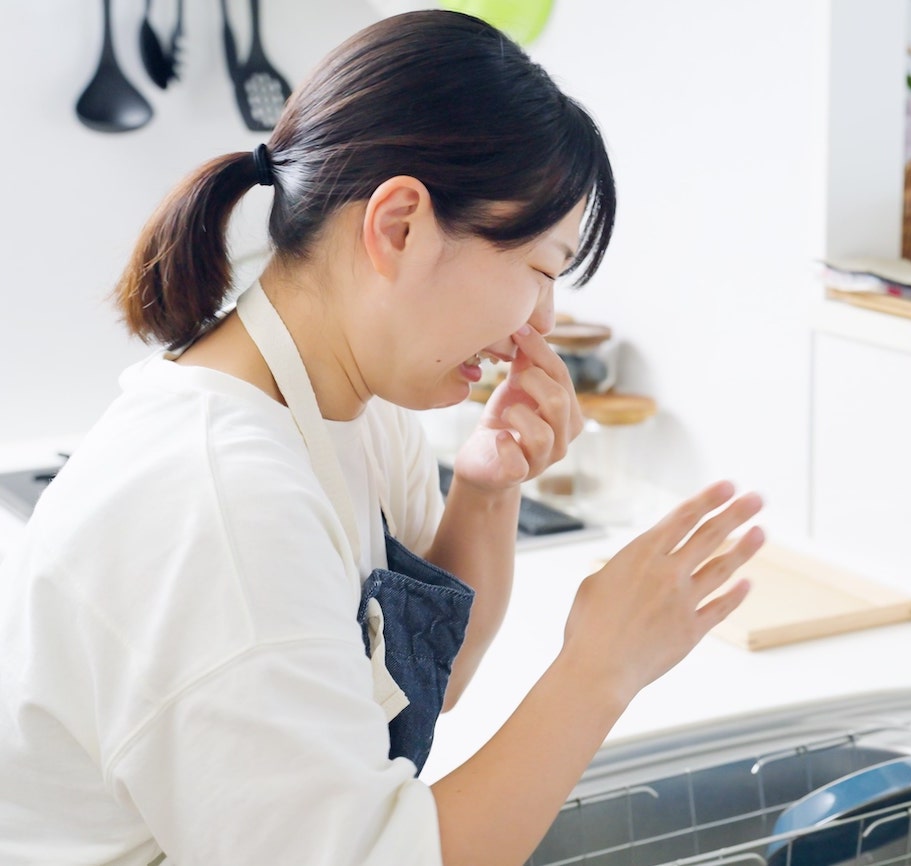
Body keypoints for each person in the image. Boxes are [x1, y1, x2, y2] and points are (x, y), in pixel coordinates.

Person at [0, 11, 763, 865]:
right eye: (541, 271)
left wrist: (486, 489)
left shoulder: (357, 409)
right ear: (399, 226)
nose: (540, 326)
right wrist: (602, 666)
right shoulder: (220, 508)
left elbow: (412, 699)